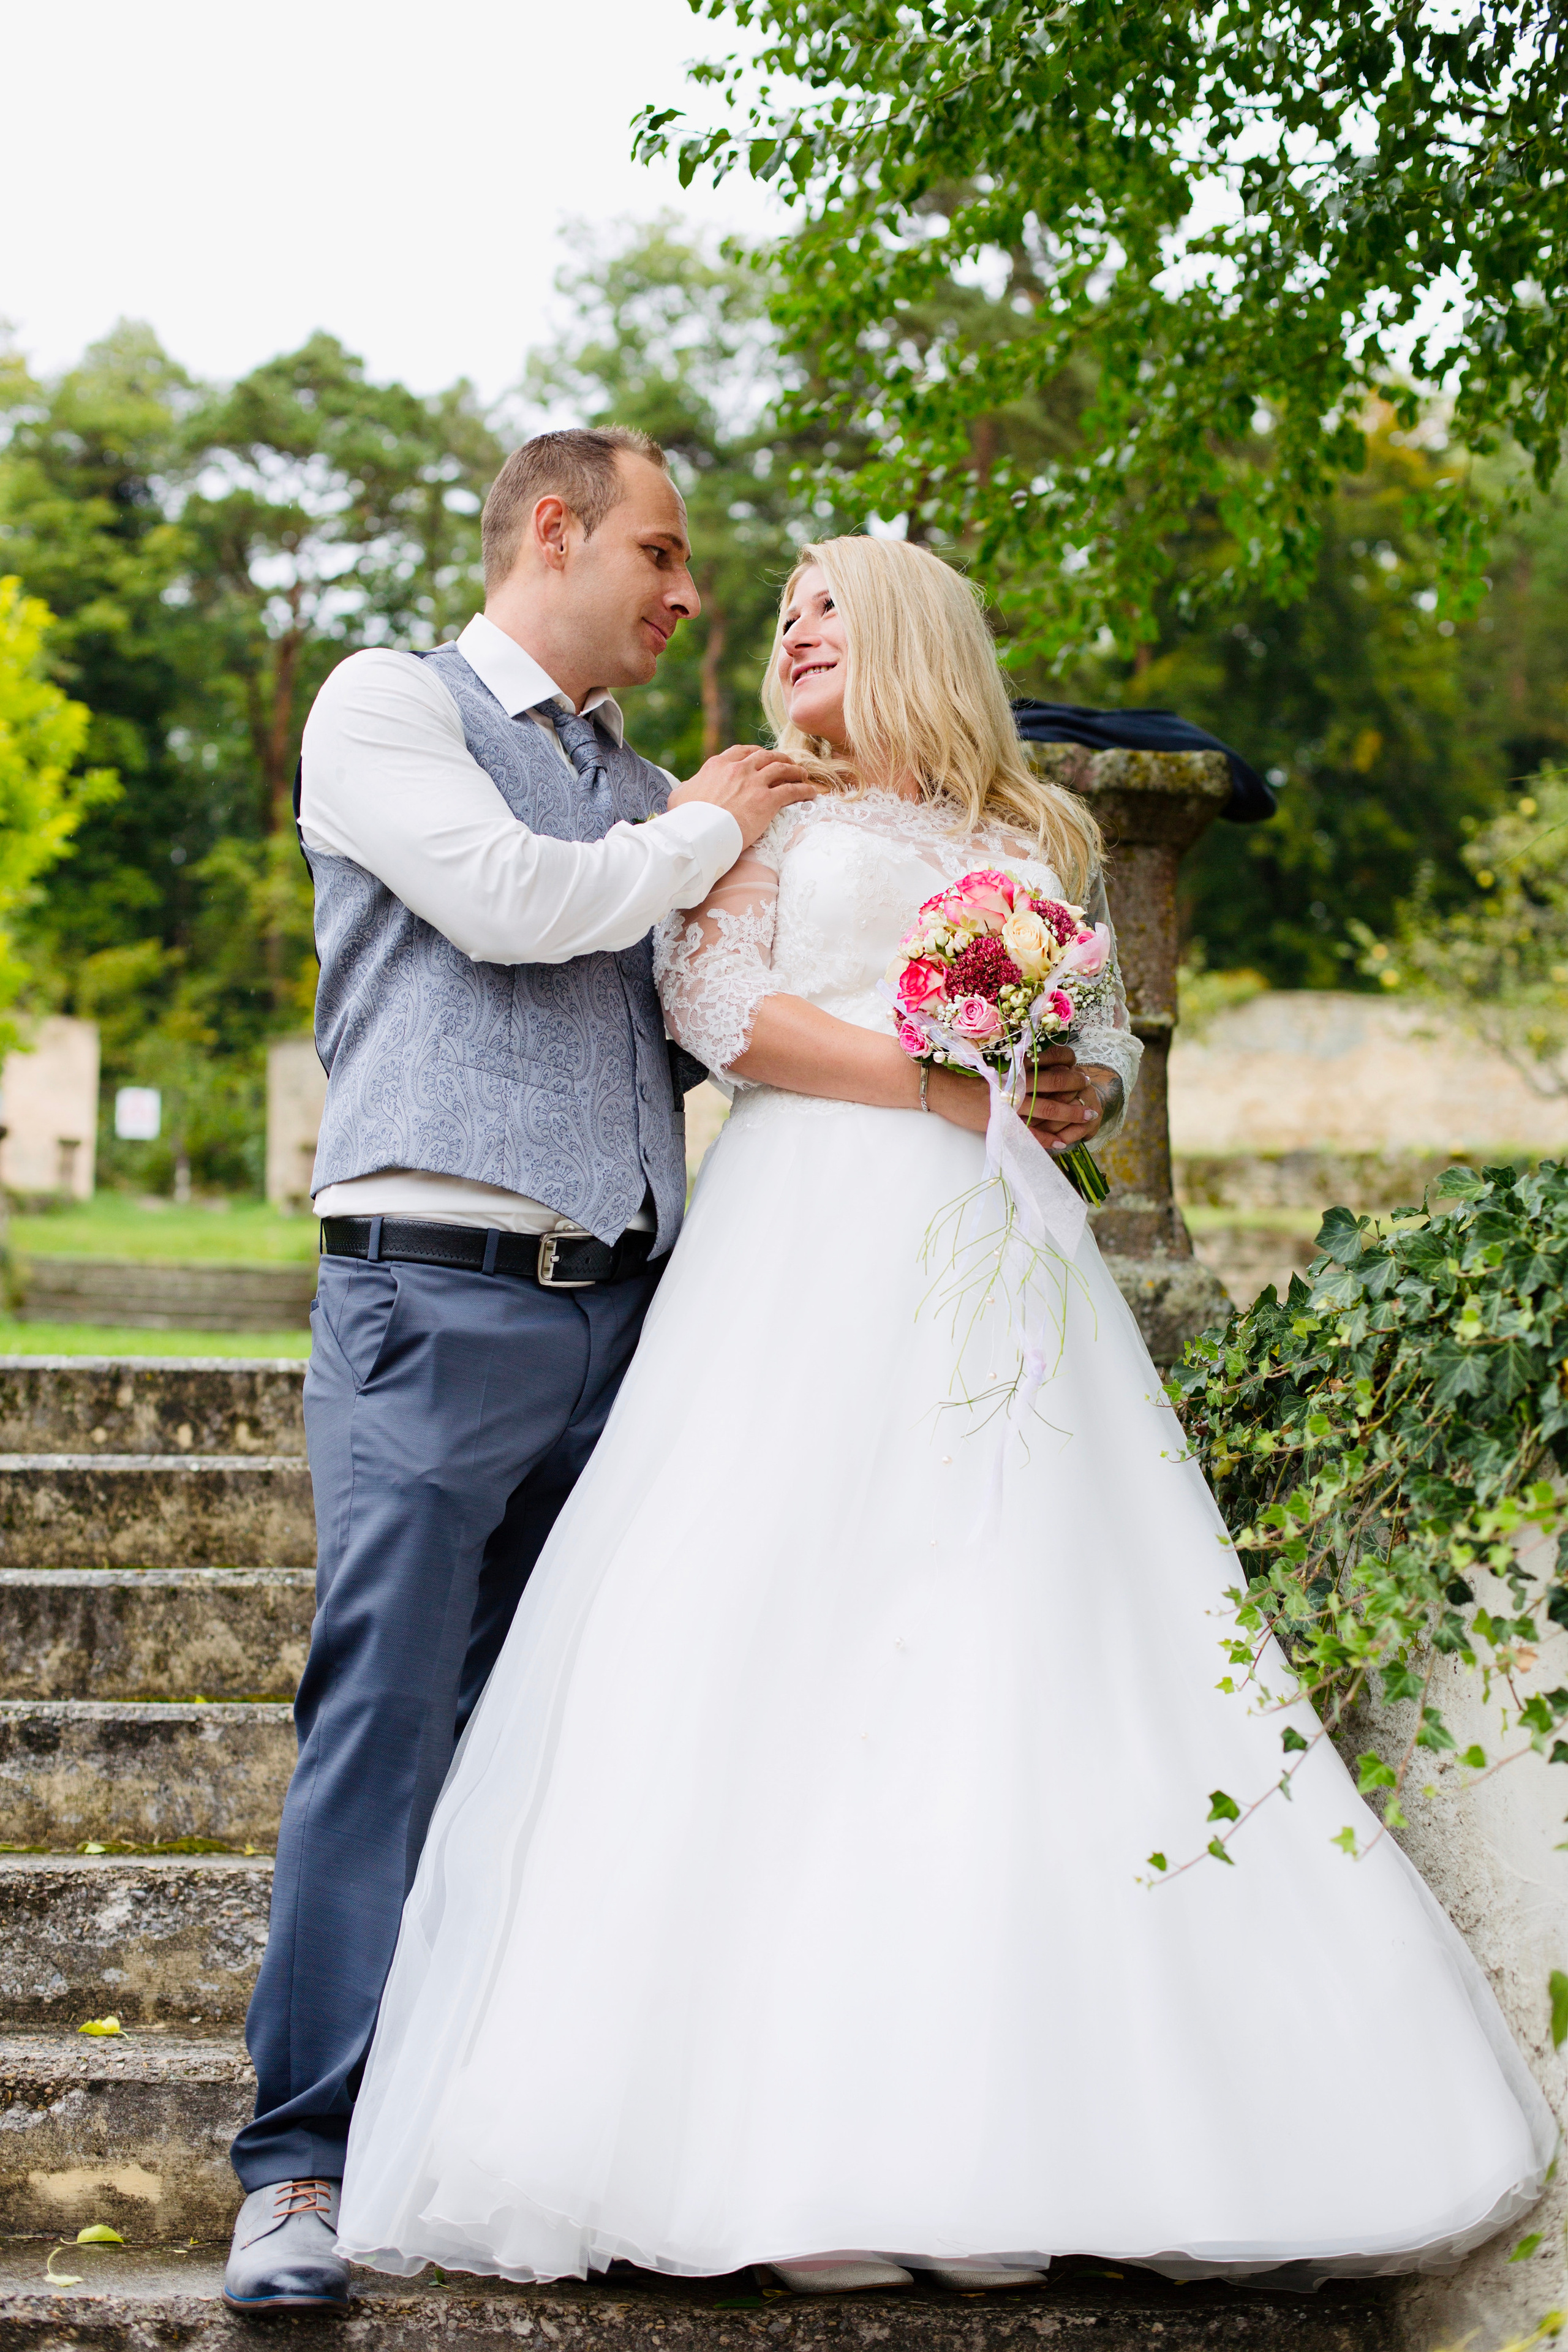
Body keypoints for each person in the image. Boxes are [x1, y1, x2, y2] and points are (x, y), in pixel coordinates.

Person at [336, 537, 1553, 2293]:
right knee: (775, 1618)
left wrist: (1071, 1086)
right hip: (804, 1239)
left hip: (999, 1242)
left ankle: (1056, 2130)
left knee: (1028, 1624)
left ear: (914, 629)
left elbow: (1099, 1046)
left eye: (826, 607)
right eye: (785, 618)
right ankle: (764, 2141)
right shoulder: (758, 808)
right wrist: (928, 1083)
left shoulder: (1040, 832)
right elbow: (716, 1010)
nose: (792, 633)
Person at [222, 426, 829, 2313]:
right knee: (386, 1728)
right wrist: (712, 829)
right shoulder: (386, 706)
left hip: (636, 1323)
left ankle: (501, 2145)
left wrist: (998, 1039)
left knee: (580, 1742)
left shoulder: (648, 793)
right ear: (551, 531)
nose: (688, 594)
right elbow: (507, 899)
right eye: (659, 552)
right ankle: (298, 2169)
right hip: (436, 1300)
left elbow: (723, 1022)